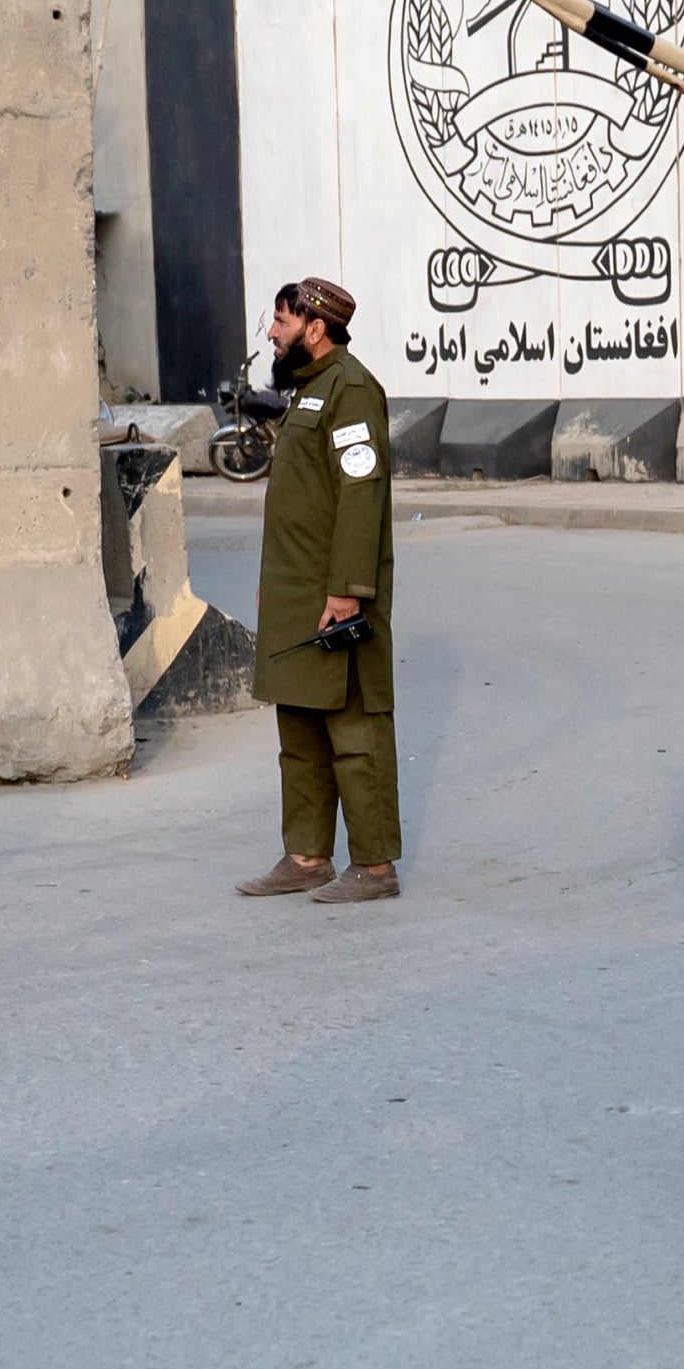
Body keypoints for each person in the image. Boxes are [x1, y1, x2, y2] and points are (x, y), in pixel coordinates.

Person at [236, 277, 402, 904]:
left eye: (280, 322)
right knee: (300, 732)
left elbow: (361, 497)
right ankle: (307, 856)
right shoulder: (307, 393)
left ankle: (376, 866)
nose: (273, 335)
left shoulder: (350, 391)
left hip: (336, 595)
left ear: (314, 326)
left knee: (354, 728)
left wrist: (349, 591)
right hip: (295, 596)